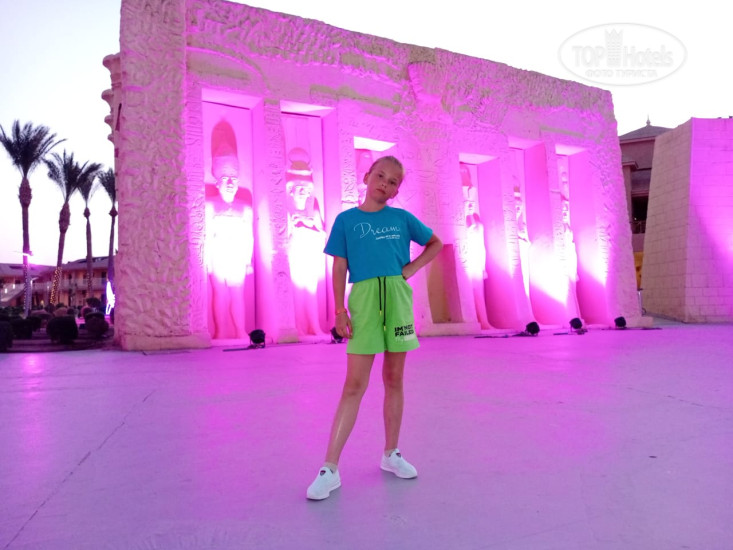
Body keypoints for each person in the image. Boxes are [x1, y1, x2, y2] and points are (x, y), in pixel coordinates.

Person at [306, 155, 443, 500]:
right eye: (380, 175)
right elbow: (339, 268)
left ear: (396, 191)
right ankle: (329, 468)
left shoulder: (402, 218)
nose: (385, 183)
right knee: (354, 384)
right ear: (366, 176)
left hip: (398, 301)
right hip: (364, 303)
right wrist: (340, 310)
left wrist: (410, 269)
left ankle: (391, 453)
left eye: (393, 181)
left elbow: (435, 243)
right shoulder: (346, 221)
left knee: (394, 378)